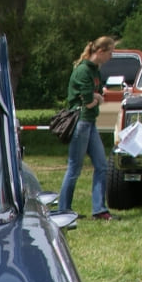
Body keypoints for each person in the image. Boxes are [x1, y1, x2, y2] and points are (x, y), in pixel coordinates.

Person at [58, 36, 117, 221]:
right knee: (74, 167)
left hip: (90, 123)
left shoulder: (94, 70)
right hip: (81, 122)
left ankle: (99, 209)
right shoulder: (83, 70)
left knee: (101, 165)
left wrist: (96, 97)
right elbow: (88, 101)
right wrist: (97, 98)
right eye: (110, 52)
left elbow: (94, 96)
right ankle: (63, 210)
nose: (111, 56)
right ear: (100, 51)